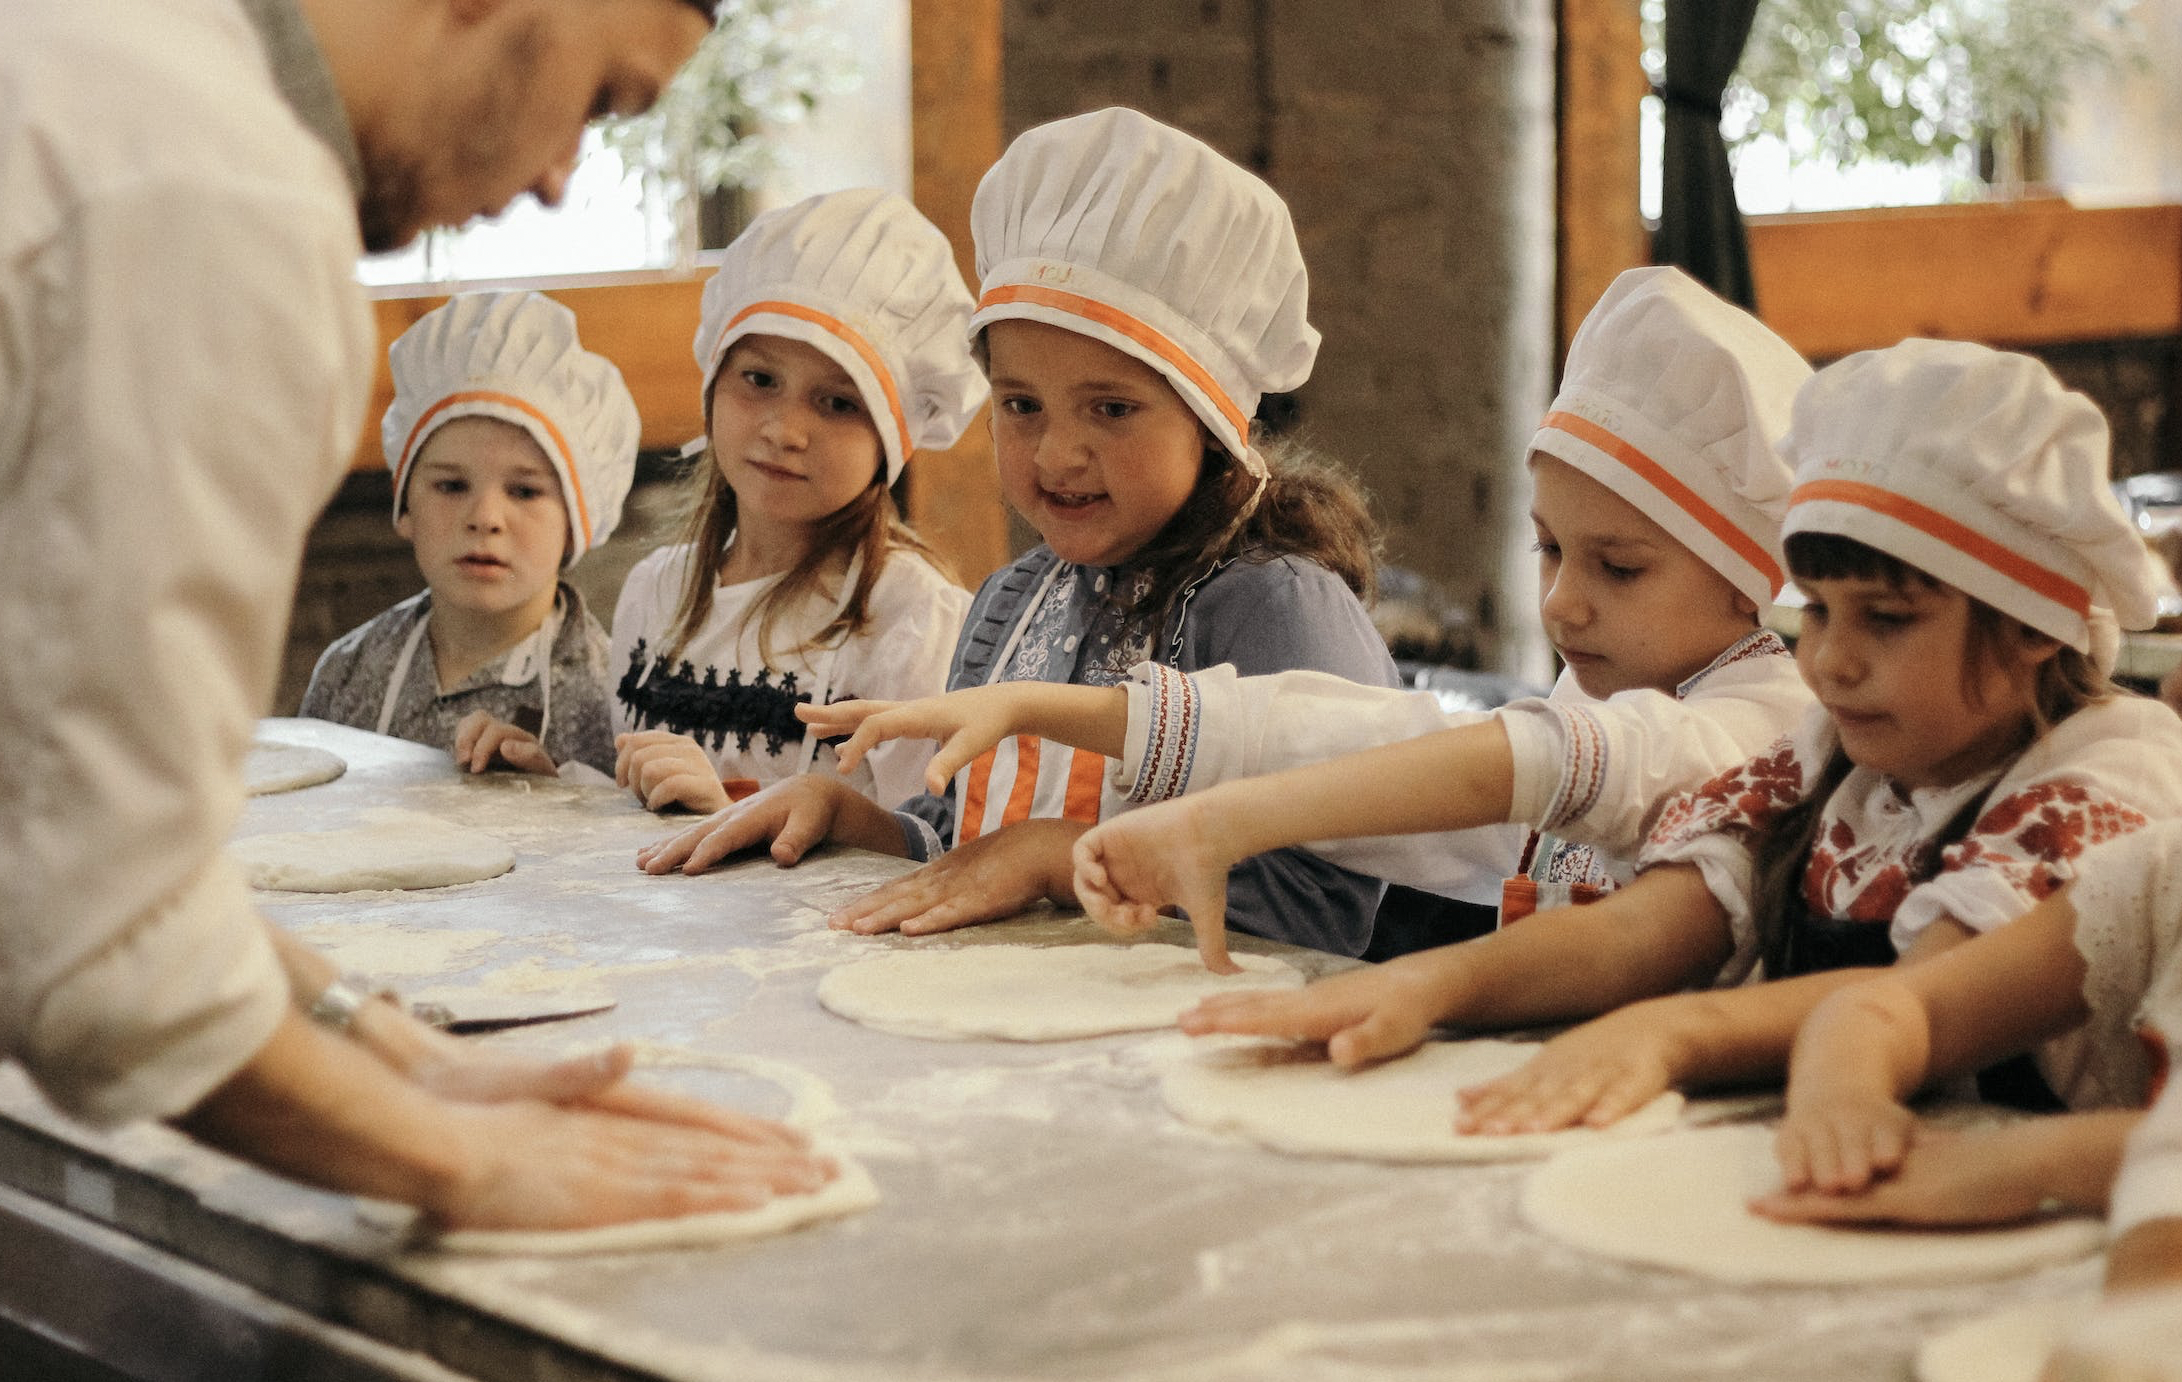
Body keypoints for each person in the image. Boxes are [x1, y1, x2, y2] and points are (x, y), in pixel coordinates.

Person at [0, 0, 834, 1233]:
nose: (561, 179)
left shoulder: (75, 55)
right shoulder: (215, 200)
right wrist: (464, 1158)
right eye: (600, 99)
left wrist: (394, 1042)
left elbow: (38, 832)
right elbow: (101, 950)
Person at [1120, 341, 2182, 1106]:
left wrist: (1670, 1029)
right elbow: (1649, 927)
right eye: (1815, 613)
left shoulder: (2103, 771)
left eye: (1888, 619)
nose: (1830, 658)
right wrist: (1423, 987)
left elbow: (1923, 1003)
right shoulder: (1838, 761)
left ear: (2031, 636)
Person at [805, 264, 1818, 966]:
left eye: (1619, 567)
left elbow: (1504, 761)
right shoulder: (1609, 677)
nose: (1561, 602)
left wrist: (1206, 826)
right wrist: (1045, 708)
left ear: (1751, 577)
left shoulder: (1746, 728)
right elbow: (1355, 740)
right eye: (1547, 550)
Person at [639, 106, 1401, 959]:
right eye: (1020, 405)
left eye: (1110, 409)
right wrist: (851, 818)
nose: (1058, 453)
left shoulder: (1272, 605)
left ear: (1212, 423)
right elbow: (959, 835)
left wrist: (1059, 861)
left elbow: (1327, 909)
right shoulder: (1012, 600)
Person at [1749, 486, 2182, 1297]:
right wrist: (1846, 1090)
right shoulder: (2178, 876)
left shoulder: (2112, 775)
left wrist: (2034, 1161)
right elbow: (1896, 1006)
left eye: (1887, 616)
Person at [602, 188, 980, 815]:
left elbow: (926, 847)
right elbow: (624, 791)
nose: (784, 430)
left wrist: (727, 808)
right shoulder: (653, 592)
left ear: (892, 437)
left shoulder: (910, 618)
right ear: (714, 382)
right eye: (760, 380)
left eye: (836, 402)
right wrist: (551, 779)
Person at [300, 290, 633, 776]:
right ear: (404, 508)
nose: (485, 517)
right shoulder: (348, 673)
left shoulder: (611, 699)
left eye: (523, 491)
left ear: (577, 525)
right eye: (452, 485)